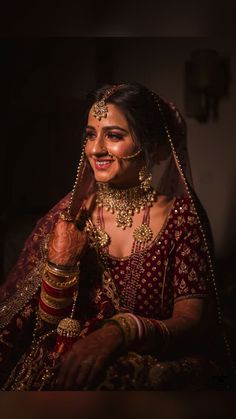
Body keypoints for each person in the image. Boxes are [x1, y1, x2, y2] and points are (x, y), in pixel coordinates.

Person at [0, 83, 232, 390]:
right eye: (90, 134)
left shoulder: (181, 218)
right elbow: (39, 326)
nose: (95, 149)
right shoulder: (71, 216)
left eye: (113, 135)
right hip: (68, 361)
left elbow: (191, 321)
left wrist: (119, 331)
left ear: (152, 144)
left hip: (149, 362)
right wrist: (61, 267)